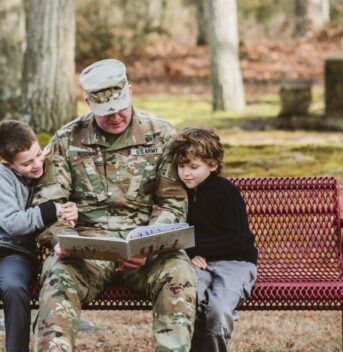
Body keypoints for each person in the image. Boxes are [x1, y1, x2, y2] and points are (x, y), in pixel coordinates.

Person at [30, 58, 198, 352]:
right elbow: (49, 202)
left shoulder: (161, 134)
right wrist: (63, 240)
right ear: (87, 101)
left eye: (120, 107)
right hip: (86, 249)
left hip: (145, 247)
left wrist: (150, 244)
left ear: (131, 91)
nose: (116, 117)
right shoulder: (67, 139)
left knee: (178, 272)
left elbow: (171, 202)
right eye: (106, 112)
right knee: (57, 276)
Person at [0, 120, 78, 352]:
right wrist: (53, 210)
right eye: (27, 163)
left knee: (14, 287)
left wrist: (70, 209)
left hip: (18, 254)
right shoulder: (1, 176)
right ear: (7, 163)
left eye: (38, 155)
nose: (36, 165)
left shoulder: (43, 167)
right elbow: (14, 223)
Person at [167, 128, 258, 352]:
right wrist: (189, 254)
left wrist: (196, 249)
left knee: (218, 311)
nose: (186, 173)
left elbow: (237, 240)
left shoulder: (226, 192)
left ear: (213, 165)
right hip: (198, 263)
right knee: (191, 302)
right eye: (181, 166)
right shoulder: (178, 195)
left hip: (234, 264)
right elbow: (173, 233)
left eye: (193, 167)